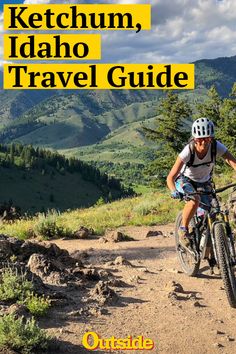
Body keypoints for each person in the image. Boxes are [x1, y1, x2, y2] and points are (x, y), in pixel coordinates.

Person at [167, 117, 236, 248]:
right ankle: (183, 229)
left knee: (215, 212)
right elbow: (170, 177)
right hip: (185, 180)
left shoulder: (216, 146)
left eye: (207, 138)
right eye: (200, 139)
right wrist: (173, 191)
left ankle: (213, 253)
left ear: (211, 138)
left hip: (205, 182)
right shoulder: (188, 151)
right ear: (194, 139)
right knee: (194, 200)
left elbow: (232, 162)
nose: (203, 143)